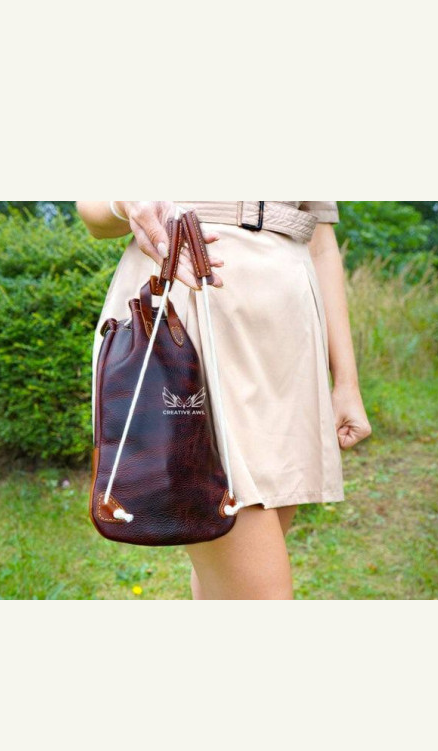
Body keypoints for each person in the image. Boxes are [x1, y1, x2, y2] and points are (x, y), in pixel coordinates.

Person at [76, 201, 372, 600]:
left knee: (226, 583)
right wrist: (127, 202)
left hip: (287, 343)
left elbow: (320, 242)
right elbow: (94, 213)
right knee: (259, 592)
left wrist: (347, 382)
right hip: (191, 324)